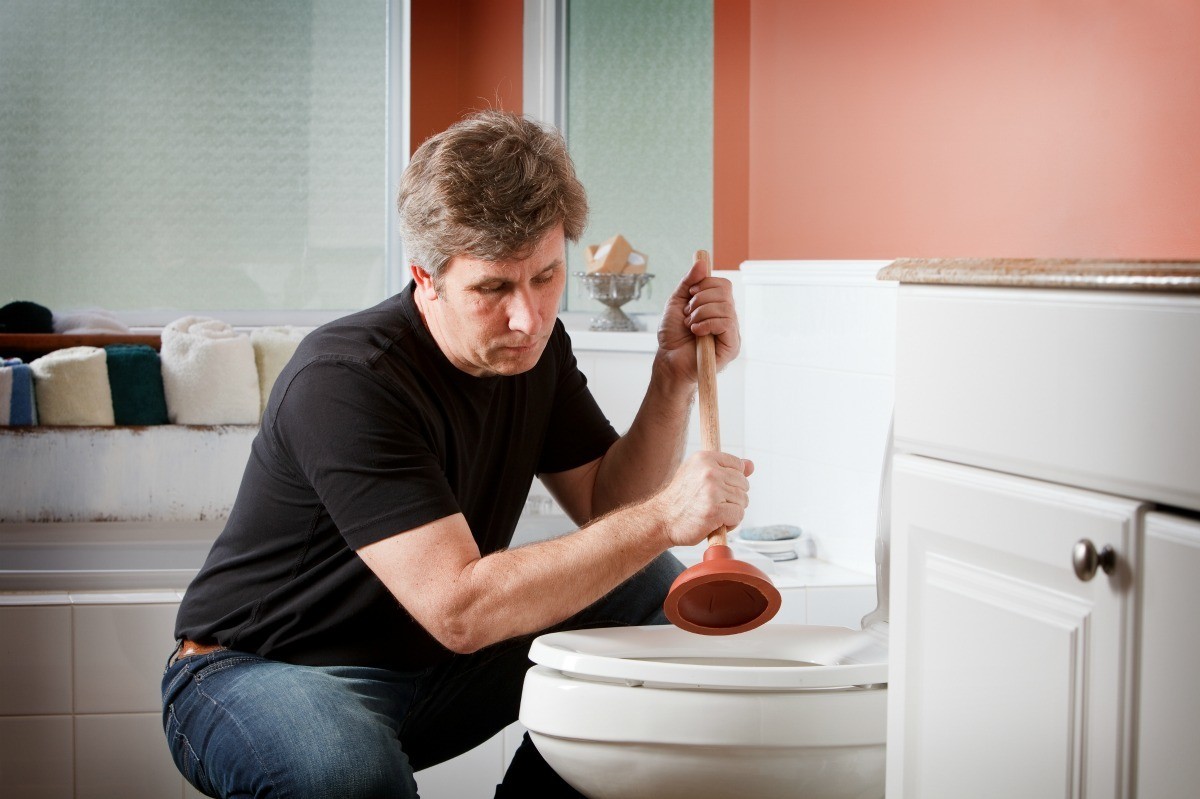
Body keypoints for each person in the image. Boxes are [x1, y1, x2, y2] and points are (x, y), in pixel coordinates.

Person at [162, 109, 752, 798]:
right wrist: (664, 516)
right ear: (425, 276)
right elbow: (461, 608)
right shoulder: (347, 378)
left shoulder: (534, 350)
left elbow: (610, 506)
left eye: (546, 276)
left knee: (654, 592)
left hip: (429, 670)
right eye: (494, 288)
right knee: (348, 774)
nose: (528, 317)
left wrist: (673, 377)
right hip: (261, 671)